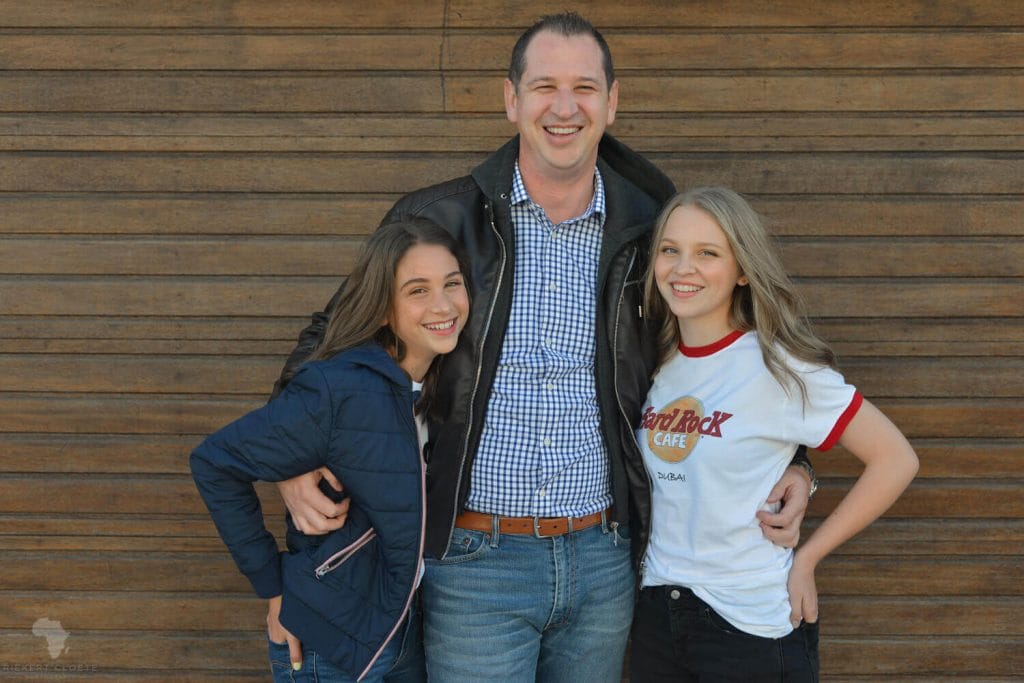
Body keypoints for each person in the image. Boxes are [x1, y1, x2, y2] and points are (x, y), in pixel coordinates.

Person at [272, 13, 816, 682]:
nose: (565, 107)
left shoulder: (656, 227)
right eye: (544, 86)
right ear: (511, 99)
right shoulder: (439, 220)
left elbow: (737, 343)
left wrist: (798, 460)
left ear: (612, 103)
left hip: (605, 559)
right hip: (475, 560)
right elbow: (328, 344)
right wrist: (292, 459)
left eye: (585, 87)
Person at [630, 187, 919, 682]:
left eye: (708, 253)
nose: (683, 268)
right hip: (656, 614)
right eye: (670, 249)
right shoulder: (653, 362)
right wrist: (801, 471)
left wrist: (808, 557)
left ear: (742, 270)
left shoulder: (779, 368)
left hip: (748, 624)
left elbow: (895, 459)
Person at [190, 217, 470, 682]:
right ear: (383, 308)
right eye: (417, 290)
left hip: (402, 633)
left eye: (452, 284)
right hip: (330, 642)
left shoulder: (439, 386)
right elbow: (215, 463)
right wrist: (276, 591)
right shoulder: (338, 387)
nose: (442, 304)